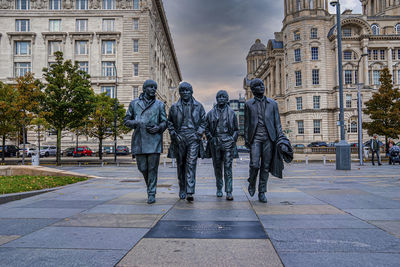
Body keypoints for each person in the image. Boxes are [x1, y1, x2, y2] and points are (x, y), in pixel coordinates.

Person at [244, 78, 293, 203]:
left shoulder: (273, 104)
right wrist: (246, 139)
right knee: (254, 164)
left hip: (269, 139)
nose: (261, 87)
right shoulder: (248, 104)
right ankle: (252, 181)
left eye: (262, 85)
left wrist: (281, 138)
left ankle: (262, 191)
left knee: (265, 166)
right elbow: (246, 124)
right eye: (258, 86)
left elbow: (277, 124)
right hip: (255, 138)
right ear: (253, 89)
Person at [124, 80, 167, 204]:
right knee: (142, 168)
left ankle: (151, 193)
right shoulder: (134, 104)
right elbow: (126, 120)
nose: (153, 89)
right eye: (151, 87)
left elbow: (165, 121)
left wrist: (158, 128)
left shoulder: (159, 105)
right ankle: (150, 187)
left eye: (155, 87)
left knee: (152, 168)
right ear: (144, 89)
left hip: (154, 140)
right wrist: (135, 122)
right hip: (139, 140)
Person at [167, 82, 206, 202]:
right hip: (180, 138)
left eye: (187, 90)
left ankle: (190, 190)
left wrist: (198, 133)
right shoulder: (174, 107)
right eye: (182, 90)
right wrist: (174, 134)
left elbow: (204, 122)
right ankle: (182, 188)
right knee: (181, 164)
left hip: (193, 138)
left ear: (191, 92)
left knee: (191, 163)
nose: (185, 93)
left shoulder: (199, 106)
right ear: (179, 92)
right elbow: (170, 123)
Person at [205, 90, 239, 201]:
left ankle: (229, 191)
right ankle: (219, 188)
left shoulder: (232, 113)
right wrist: (211, 138)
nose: (221, 99)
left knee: (228, 167)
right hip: (216, 142)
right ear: (216, 99)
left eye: (223, 97)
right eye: (219, 97)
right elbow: (206, 128)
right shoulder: (210, 113)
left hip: (228, 142)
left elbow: (236, 130)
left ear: (227, 99)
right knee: (217, 167)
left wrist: (232, 140)